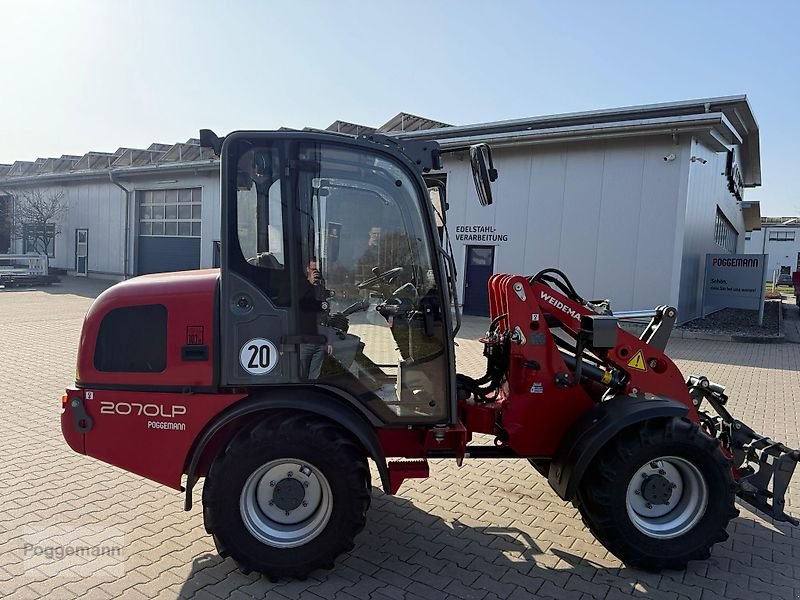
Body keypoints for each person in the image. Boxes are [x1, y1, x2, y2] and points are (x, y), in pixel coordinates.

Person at [298, 257, 332, 380]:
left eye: (317, 270)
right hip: (304, 340)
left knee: (314, 378)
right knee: (300, 375)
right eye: (313, 269)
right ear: (307, 269)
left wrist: (328, 340)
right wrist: (309, 283)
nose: (316, 272)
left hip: (319, 341)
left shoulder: (321, 289)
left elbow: (325, 316)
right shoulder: (301, 287)